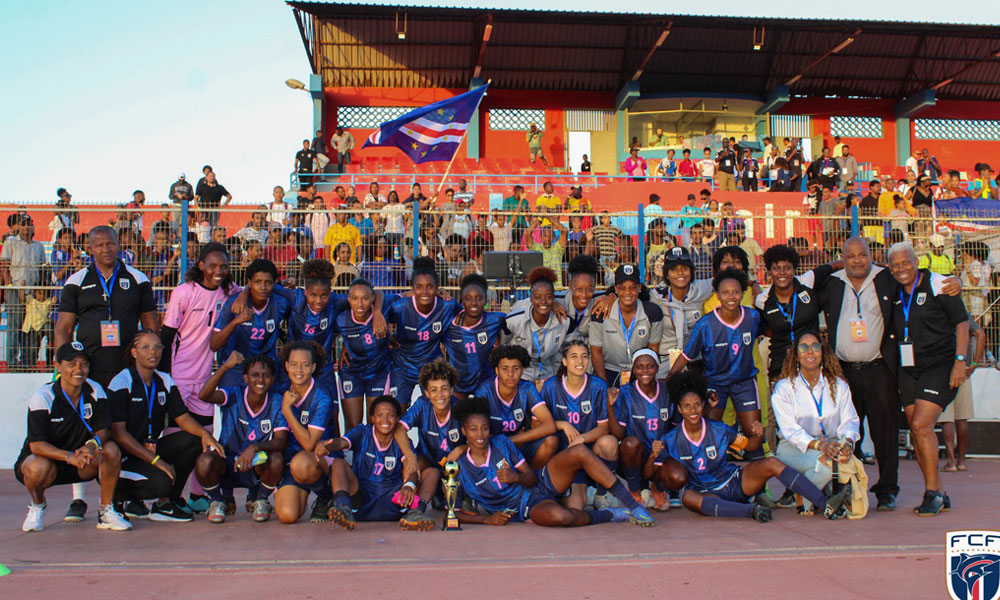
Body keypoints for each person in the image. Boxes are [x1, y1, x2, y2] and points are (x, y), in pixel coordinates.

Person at [55, 225, 158, 522]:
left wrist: (147, 362)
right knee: (84, 430)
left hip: (127, 370)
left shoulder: (138, 279)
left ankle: (126, 497)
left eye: (110, 244)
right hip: (88, 369)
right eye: (98, 245)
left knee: (127, 431)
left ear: (118, 244)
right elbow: (63, 328)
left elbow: (151, 325)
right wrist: (65, 366)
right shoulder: (76, 282)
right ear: (89, 248)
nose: (105, 249)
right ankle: (79, 500)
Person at [657, 371, 850, 521]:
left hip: (734, 481)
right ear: (679, 408)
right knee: (688, 498)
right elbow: (654, 470)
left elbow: (749, 446)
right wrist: (652, 458)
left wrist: (757, 436)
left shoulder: (719, 429)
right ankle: (751, 510)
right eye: (688, 406)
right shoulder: (671, 439)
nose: (693, 410)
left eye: (697, 405)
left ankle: (825, 504)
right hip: (705, 491)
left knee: (772, 463)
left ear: (703, 405)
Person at [450, 396, 654, 527]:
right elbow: (454, 514)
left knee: (580, 451)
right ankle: (610, 514)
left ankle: (633, 507)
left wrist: (516, 477)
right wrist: (487, 519)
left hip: (539, 483)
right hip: (524, 507)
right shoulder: (458, 467)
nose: (480, 434)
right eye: (474, 429)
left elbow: (530, 477)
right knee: (562, 517)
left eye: (484, 428)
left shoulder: (501, 443)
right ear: (464, 432)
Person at [887, 242, 968, 516]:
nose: (901, 269)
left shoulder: (938, 283)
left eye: (905, 262)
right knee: (915, 428)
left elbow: (962, 321)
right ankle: (940, 492)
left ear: (916, 261)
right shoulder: (891, 287)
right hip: (908, 368)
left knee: (922, 425)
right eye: (895, 264)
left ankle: (932, 492)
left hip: (940, 365)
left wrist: (960, 361)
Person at [108, 331, 223, 522]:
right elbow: (119, 434)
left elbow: (182, 417)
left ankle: (165, 504)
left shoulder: (164, 381)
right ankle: (119, 499)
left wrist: (205, 435)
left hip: (148, 449)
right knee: (161, 482)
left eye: (157, 347)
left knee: (193, 440)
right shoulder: (121, 382)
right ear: (134, 352)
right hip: (123, 456)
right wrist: (156, 461)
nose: (153, 352)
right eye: (145, 347)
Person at [16, 342, 132, 532]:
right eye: (71, 363)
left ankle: (106, 512)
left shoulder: (95, 391)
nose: (79, 369)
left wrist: (91, 446)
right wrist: (69, 456)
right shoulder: (43, 396)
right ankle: (37, 506)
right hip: (49, 462)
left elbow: (104, 429)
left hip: (81, 461)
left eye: (84, 363)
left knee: (111, 450)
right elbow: (36, 445)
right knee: (37, 467)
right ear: (58, 367)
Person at [667, 268, 766, 460]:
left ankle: (761, 488)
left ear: (742, 294)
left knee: (754, 432)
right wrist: (671, 378)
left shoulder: (752, 317)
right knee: (708, 432)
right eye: (725, 292)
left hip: (744, 382)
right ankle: (713, 476)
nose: (731, 296)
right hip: (715, 384)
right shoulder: (705, 324)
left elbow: (767, 330)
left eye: (736, 292)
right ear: (718, 295)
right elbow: (687, 355)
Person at [771, 333, 861, 513]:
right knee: (829, 466)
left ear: (823, 352)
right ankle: (810, 497)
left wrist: (847, 443)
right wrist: (821, 446)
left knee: (847, 466)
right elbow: (791, 431)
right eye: (804, 347)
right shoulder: (785, 387)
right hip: (795, 448)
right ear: (796, 355)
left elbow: (850, 421)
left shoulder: (838, 385)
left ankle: (806, 491)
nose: (810, 351)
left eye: (815, 346)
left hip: (832, 444)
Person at [316, 395, 432, 531]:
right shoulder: (363, 432)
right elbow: (342, 442)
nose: (385, 420)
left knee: (432, 473)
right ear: (372, 418)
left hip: (394, 500)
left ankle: (415, 513)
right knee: (339, 463)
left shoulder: (403, 441)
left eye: (390, 415)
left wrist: (409, 487)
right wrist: (327, 445)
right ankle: (344, 508)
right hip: (361, 498)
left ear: (397, 419)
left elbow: (411, 468)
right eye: (380, 415)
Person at [195, 352, 285, 523]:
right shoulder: (234, 394)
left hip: (255, 462)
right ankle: (217, 501)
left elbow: (281, 441)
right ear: (245, 378)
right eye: (255, 375)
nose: (260, 380)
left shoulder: (277, 401)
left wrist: (254, 448)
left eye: (266, 376)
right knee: (204, 461)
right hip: (228, 462)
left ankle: (260, 500)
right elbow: (204, 395)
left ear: (272, 379)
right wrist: (225, 367)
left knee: (277, 459)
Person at [539, 340, 620, 509]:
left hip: (590, 451)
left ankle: (601, 493)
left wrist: (582, 439)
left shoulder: (598, 385)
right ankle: (563, 490)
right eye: (574, 357)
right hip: (564, 454)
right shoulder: (551, 386)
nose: (580, 362)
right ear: (564, 361)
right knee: (576, 507)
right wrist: (562, 424)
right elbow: (537, 424)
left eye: (584, 357)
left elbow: (604, 428)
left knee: (610, 442)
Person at [270, 341, 340, 524]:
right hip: (291, 462)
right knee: (287, 515)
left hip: (319, 459)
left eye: (305, 364)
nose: (299, 370)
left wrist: (287, 410)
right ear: (286, 366)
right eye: (293, 364)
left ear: (314, 367)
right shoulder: (280, 392)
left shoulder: (322, 396)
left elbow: (309, 444)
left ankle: (326, 497)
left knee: (301, 463)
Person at [385, 257, 460, 407]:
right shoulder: (400, 307)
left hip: (431, 366)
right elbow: (377, 309)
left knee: (436, 410)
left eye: (430, 287)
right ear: (413, 288)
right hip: (402, 367)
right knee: (396, 412)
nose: (424, 292)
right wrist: (387, 337)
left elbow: (468, 318)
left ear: (437, 288)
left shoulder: (447, 305)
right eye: (419, 287)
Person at [607, 350, 676, 511]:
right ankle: (634, 490)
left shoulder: (667, 391)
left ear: (657, 368)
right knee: (631, 443)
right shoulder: (625, 393)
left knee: (677, 472)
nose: (645, 371)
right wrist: (610, 406)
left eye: (650, 366)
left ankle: (658, 488)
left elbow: (675, 429)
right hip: (633, 457)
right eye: (639, 367)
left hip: (660, 454)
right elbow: (618, 434)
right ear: (633, 370)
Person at [210, 259, 293, 388]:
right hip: (236, 370)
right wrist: (236, 322)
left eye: (268, 283)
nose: (263, 287)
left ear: (274, 283)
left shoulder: (281, 303)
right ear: (249, 283)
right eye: (258, 282)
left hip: (265, 370)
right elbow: (214, 345)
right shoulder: (234, 303)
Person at [474, 345, 558, 469]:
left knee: (551, 441)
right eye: (505, 368)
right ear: (496, 370)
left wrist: (515, 439)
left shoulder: (527, 388)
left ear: (522, 370)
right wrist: (505, 442)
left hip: (519, 443)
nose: (510, 374)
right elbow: (477, 431)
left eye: (516, 368)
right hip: (493, 447)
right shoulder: (485, 391)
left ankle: (531, 480)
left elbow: (549, 425)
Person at [399, 360, 463, 510]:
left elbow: (477, 439)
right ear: (426, 393)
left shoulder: (460, 407)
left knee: (464, 466)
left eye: (444, 389)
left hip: (453, 462)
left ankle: (460, 499)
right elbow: (399, 429)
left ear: (452, 390)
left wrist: (460, 449)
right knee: (414, 462)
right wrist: (410, 456)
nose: (439, 394)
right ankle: (409, 504)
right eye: (433, 390)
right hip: (428, 459)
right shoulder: (422, 405)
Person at [334, 277, 395, 429]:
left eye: (365, 298)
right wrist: (344, 347)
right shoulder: (341, 319)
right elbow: (328, 336)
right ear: (348, 299)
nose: (360, 304)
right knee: (353, 424)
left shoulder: (382, 310)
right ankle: (354, 453)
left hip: (378, 373)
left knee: (375, 424)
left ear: (372, 298)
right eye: (355, 298)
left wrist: (378, 311)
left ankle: (371, 453)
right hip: (351, 372)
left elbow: (410, 295)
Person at [589, 264, 663, 388]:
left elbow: (652, 349)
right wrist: (604, 384)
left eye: (633, 288)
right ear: (616, 289)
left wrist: (646, 377)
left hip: (639, 371)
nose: (627, 292)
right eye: (622, 288)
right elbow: (596, 352)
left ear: (639, 288)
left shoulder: (652, 312)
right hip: (609, 371)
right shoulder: (600, 313)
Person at [502, 267, 570, 385]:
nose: (543, 301)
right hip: (520, 378)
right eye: (537, 297)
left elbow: (567, 349)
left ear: (554, 298)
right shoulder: (514, 321)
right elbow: (502, 345)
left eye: (548, 297)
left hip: (549, 377)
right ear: (531, 298)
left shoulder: (563, 322)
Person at [442, 274, 508, 396]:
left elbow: (516, 323)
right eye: (468, 298)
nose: (474, 303)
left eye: (479, 298)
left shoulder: (496, 320)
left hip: (485, 383)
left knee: (482, 414)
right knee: (456, 414)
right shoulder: (449, 323)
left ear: (485, 300)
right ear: (462, 299)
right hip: (458, 385)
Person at [940, 319, 985, 472]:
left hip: (944, 367)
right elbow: (980, 333)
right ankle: (961, 461)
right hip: (964, 367)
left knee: (947, 418)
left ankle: (951, 461)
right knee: (961, 417)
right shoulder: (961, 312)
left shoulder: (937, 308)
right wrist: (975, 363)